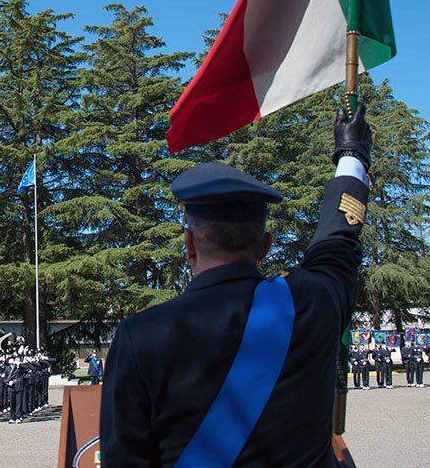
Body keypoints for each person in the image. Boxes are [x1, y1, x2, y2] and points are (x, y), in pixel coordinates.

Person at [100, 103, 371, 466]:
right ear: (266, 245)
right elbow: (338, 243)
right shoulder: (313, 302)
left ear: (188, 244)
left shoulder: (142, 336)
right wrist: (352, 155)